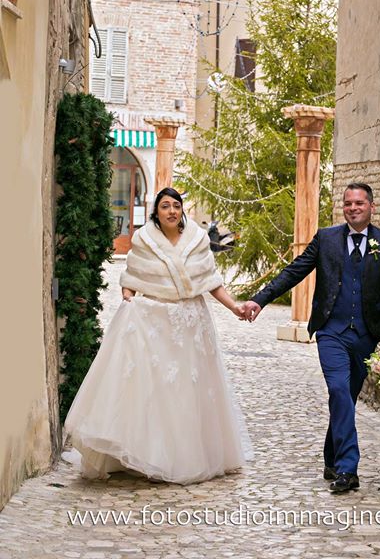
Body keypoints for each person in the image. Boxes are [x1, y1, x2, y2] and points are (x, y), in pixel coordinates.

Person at [64, 187, 253, 484]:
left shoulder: (197, 240)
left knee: (187, 390)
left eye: (176, 206)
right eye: (165, 206)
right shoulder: (144, 241)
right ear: (156, 212)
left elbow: (211, 282)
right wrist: (128, 299)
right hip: (154, 321)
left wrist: (234, 308)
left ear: (182, 210)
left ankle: (185, 455)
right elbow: (132, 277)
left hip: (190, 322)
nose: (171, 211)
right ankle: (147, 455)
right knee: (155, 389)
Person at [243, 183, 380, 493]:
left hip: (366, 335)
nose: (353, 207)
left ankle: (331, 456)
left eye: (359, 203)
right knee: (338, 389)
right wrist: (260, 300)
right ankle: (348, 468)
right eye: (348, 203)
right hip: (331, 330)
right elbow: (294, 271)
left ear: (372, 207)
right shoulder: (327, 239)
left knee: (346, 396)